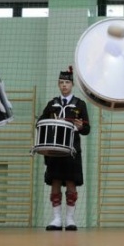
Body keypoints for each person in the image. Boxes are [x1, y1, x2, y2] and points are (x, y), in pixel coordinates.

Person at [39, 67, 90, 231]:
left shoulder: (80, 104)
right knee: (54, 180)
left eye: (67, 82)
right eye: (61, 82)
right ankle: (56, 218)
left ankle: (69, 219)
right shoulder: (51, 104)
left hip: (72, 149)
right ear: (58, 85)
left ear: (72, 84)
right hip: (54, 149)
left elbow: (87, 129)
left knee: (70, 181)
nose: (64, 85)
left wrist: (81, 126)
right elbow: (39, 123)